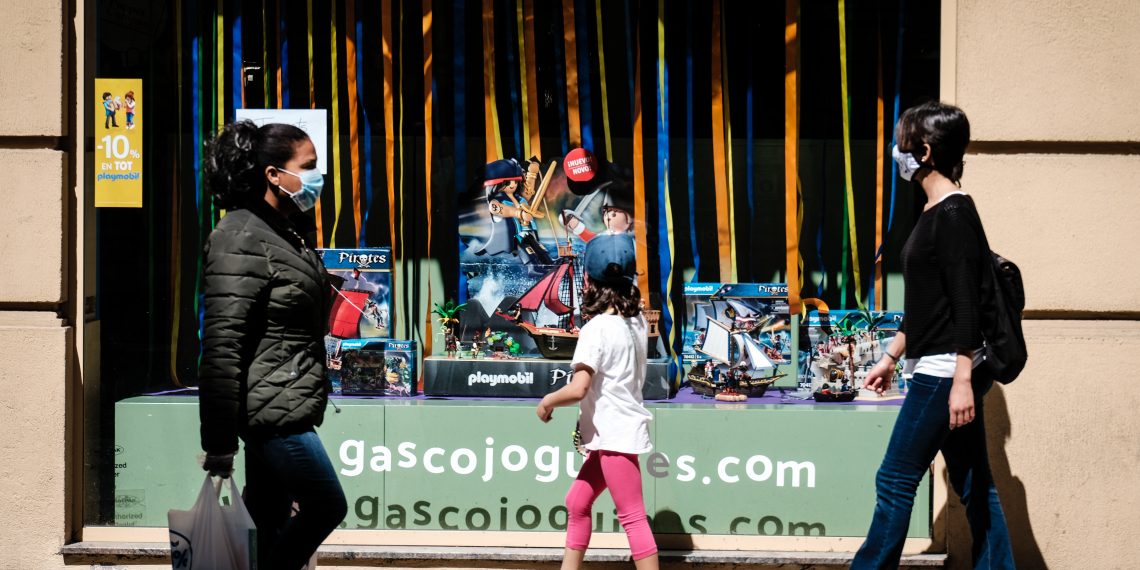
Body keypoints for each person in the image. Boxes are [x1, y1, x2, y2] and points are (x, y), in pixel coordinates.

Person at [853, 102, 1015, 569]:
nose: (896, 153)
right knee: (974, 485)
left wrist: (962, 379)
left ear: (923, 151)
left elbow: (966, 303)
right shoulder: (933, 211)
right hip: (939, 365)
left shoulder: (954, 214)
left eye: (902, 146)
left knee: (895, 480)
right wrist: (890, 355)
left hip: (945, 372)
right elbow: (928, 306)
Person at [199, 120, 347, 570]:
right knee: (326, 504)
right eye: (309, 167)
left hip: (284, 398)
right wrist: (220, 443)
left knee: (269, 516)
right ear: (273, 174)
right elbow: (222, 345)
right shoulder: (240, 235)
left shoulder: (285, 230)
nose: (318, 177)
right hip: (269, 413)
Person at [535, 233, 659, 570]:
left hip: (615, 435)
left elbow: (579, 388)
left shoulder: (597, 328)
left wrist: (547, 401)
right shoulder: (634, 322)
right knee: (577, 502)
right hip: (610, 435)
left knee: (632, 517)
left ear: (587, 280)